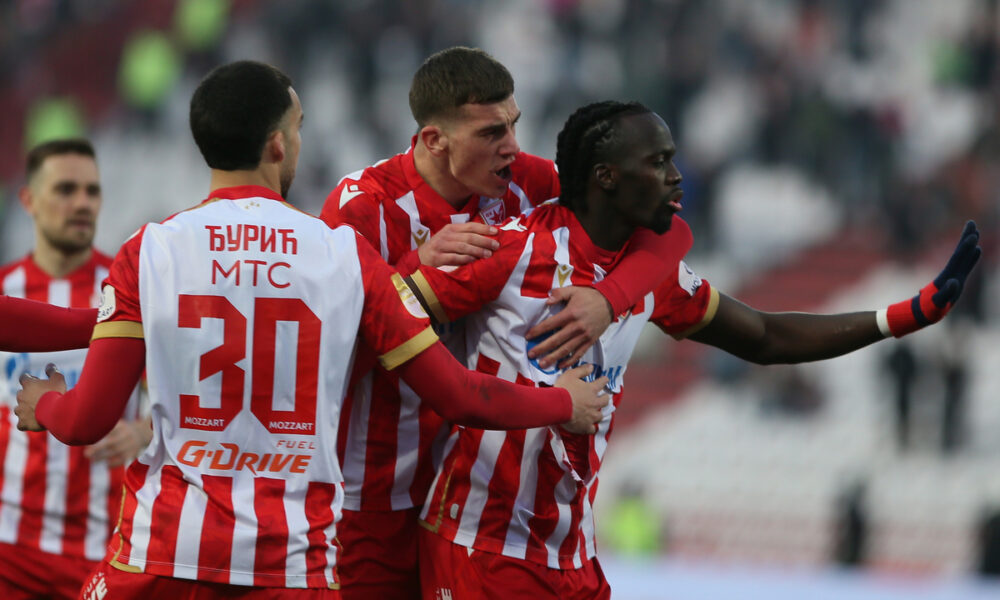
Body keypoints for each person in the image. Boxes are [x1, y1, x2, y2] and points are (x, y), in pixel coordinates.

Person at [10, 60, 607, 598]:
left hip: (164, 554)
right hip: (292, 558)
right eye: (297, 128)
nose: (300, 141)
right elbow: (455, 392)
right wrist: (561, 402)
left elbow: (87, 418)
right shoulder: (341, 255)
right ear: (277, 144)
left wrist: (46, 403)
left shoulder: (150, 251)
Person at [403, 101, 981, 598]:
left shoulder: (649, 276)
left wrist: (906, 315)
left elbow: (763, 336)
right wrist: (417, 271)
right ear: (605, 177)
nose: (677, 176)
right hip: (476, 546)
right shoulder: (507, 251)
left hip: (571, 560)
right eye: (657, 163)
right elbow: (388, 317)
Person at [319, 46, 683, 598]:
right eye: (491, 133)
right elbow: (327, 354)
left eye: (514, 124)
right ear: (434, 140)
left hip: (460, 498)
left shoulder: (522, 182)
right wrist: (415, 276)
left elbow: (666, 228)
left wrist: (610, 297)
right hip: (366, 498)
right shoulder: (362, 209)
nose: (512, 147)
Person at [0, 139, 150, 600]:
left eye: (92, 191)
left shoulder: (128, 291)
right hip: (10, 547)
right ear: (28, 199)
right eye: (66, 189)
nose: (82, 203)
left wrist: (144, 431)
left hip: (106, 543)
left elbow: (180, 401)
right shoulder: (8, 289)